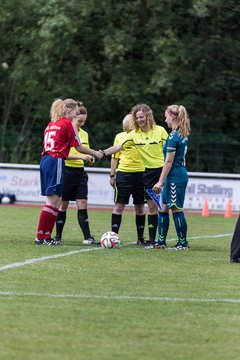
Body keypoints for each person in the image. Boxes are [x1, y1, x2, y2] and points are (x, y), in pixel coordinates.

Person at [35, 98, 103, 246]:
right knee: (53, 201)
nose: (76, 114)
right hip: (56, 161)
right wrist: (95, 153)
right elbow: (78, 147)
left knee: (56, 200)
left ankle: (46, 236)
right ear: (69, 110)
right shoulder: (67, 123)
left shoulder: (51, 124)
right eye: (76, 111)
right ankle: (41, 237)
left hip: (46, 160)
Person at [102, 104, 168, 245]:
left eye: (142, 117)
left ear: (148, 116)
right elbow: (118, 147)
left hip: (162, 171)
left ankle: (165, 240)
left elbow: (170, 151)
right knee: (152, 207)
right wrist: (102, 153)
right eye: (137, 118)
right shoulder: (133, 135)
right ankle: (152, 241)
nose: (139, 120)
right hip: (149, 174)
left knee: (164, 207)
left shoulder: (160, 131)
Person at [54, 102, 100, 245]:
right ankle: (57, 237)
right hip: (66, 171)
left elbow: (85, 151)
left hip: (80, 173)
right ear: (73, 117)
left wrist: (90, 159)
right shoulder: (66, 130)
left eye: (84, 121)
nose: (81, 123)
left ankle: (87, 237)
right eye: (79, 120)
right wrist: (81, 156)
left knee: (83, 203)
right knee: (63, 205)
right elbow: (63, 154)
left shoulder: (84, 134)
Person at [152, 105, 191, 250]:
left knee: (175, 208)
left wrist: (160, 181)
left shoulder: (174, 136)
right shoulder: (180, 134)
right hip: (174, 175)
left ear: (172, 116)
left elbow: (169, 161)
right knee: (163, 208)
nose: (165, 119)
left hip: (175, 176)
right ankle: (161, 241)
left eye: (166, 116)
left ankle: (182, 243)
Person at [110, 114, 146, 245]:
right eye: (125, 130)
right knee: (119, 206)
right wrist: (112, 175)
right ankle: (114, 237)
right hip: (124, 175)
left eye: (128, 130)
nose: (126, 133)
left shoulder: (143, 136)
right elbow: (114, 157)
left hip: (141, 174)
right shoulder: (119, 137)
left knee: (140, 208)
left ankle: (141, 239)